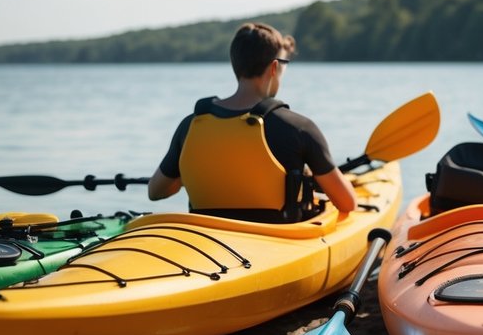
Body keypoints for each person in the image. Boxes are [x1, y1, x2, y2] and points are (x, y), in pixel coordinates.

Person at [147, 22, 357, 221]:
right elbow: (347, 203)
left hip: (208, 243)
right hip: (274, 245)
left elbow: (156, 191)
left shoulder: (191, 125)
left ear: (235, 65)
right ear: (274, 68)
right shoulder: (299, 128)